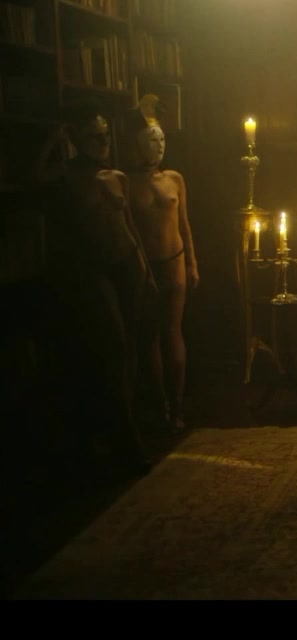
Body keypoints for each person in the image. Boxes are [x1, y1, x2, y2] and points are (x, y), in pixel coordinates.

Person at [36, 102, 164, 471]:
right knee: (115, 346)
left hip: (128, 266)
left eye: (106, 134)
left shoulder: (116, 175)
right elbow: (36, 180)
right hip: (94, 271)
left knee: (132, 347)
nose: (103, 141)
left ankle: (129, 426)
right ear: (77, 138)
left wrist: (146, 271)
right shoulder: (66, 177)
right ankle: (124, 438)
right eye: (94, 136)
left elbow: (130, 226)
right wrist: (54, 140)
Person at [121, 95, 196, 431]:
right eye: (152, 141)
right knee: (150, 335)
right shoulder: (126, 182)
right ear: (138, 144)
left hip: (174, 262)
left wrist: (192, 262)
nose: (159, 146)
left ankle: (177, 405)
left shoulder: (174, 179)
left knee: (173, 332)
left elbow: (184, 225)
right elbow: (129, 231)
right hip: (146, 266)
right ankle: (159, 405)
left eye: (162, 139)